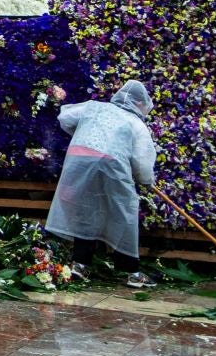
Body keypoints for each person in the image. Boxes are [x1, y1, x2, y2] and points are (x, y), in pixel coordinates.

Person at [45, 81, 158, 287]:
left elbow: (65, 117)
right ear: (139, 103)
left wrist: (84, 132)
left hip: (79, 157)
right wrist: (146, 181)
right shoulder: (135, 123)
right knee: (125, 211)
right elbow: (142, 163)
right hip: (111, 163)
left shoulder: (94, 107)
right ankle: (131, 272)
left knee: (85, 209)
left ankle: (80, 264)